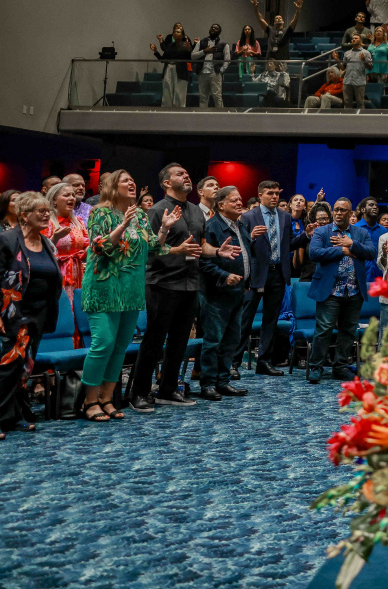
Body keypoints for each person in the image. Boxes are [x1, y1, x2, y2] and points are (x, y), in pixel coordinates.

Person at [79, 170, 175, 423]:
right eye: (126, 181)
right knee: (103, 344)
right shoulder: (100, 213)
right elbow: (98, 246)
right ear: (113, 186)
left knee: (120, 346)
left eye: (133, 180)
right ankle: (89, 401)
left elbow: (153, 247)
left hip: (131, 289)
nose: (132, 183)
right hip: (104, 286)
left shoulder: (140, 215)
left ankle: (107, 399)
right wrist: (122, 225)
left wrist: (164, 229)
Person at [129, 163, 217, 413]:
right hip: (162, 283)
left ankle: (168, 389)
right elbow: (148, 251)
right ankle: (139, 392)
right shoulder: (157, 210)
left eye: (187, 173)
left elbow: (201, 246)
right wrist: (176, 250)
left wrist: (217, 251)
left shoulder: (196, 211)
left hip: (190, 283)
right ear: (166, 183)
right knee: (154, 341)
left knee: (179, 341)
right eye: (180, 174)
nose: (186, 175)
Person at [0, 192, 60, 434]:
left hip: (39, 314)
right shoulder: (6, 240)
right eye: (40, 211)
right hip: (12, 314)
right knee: (7, 367)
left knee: (24, 368)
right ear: (24, 216)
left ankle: (15, 415)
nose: (46, 215)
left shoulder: (46, 242)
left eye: (48, 210)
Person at [237, 180, 308, 377]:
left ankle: (264, 362)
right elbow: (240, 246)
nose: (275, 196)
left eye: (277, 193)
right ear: (260, 195)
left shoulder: (285, 216)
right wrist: (251, 237)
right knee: (246, 319)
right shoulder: (248, 216)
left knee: (271, 320)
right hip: (256, 274)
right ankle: (234, 361)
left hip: (278, 273)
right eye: (270, 193)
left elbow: (288, 245)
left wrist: (305, 236)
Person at [306, 198, 375, 383]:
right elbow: (314, 253)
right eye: (336, 210)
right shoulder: (322, 231)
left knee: (348, 331)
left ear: (350, 213)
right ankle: (316, 367)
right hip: (330, 290)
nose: (338, 213)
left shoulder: (360, 233)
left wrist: (352, 244)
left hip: (353, 290)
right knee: (324, 329)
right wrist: (342, 250)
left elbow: (371, 253)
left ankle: (340, 367)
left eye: (342, 210)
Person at [198, 186, 250, 401]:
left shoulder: (241, 225)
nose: (239, 203)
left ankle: (223, 381)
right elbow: (202, 261)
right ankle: (208, 384)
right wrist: (224, 275)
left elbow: (246, 256)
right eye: (234, 200)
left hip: (237, 291)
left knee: (231, 340)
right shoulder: (212, 227)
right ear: (221, 205)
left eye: (240, 199)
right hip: (216, 292)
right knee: (213, 341)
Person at [45, 182, 88, 348]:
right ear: (54, 200)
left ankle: (79, 350)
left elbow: (86, 245)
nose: (71, 198)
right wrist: (55, 239)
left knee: (79, 311)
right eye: (66, 195)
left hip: (79, 274)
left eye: (73, 195)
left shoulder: (78, 222)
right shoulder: (47, 222)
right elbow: (41, 250)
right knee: (64, 311)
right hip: (58, 274)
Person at [151, 23, 193, 107]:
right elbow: (163, 60)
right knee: (167, 92)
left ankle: (179, 112)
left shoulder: (186, 45)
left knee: (179, 93)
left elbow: (189, 60)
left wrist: (189, 49)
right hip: (168, 68)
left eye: (178, 32)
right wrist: (155, 51)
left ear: (182, 35)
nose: (175, 33)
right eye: (174, 32)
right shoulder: (170, 45)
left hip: (181, 71)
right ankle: (166, 111)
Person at [192, 24, 231, 108]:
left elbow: (227, 60)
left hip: (215, 73)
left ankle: (220, 115)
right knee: (203, 97)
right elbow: (193, 56)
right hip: (202, 72)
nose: (213, 28)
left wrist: (221, 71)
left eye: (216, 28)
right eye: (212, 27)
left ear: (219, 32)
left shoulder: (224, 44)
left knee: (217, 97)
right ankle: (203, 115)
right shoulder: (201, 42)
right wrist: (204, 51)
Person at [337, 34, 372, 109]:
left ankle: (361, 117)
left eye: (356, 38)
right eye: (352, 38)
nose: (353, 39)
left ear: (361, 40)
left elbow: (370, 68)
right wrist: (337, 60)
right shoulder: (347, 53)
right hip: (347, 81)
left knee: (360, 103)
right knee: (347, 103)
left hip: (359, 81)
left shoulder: (366, 53)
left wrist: (364, 60)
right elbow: (343, 68)